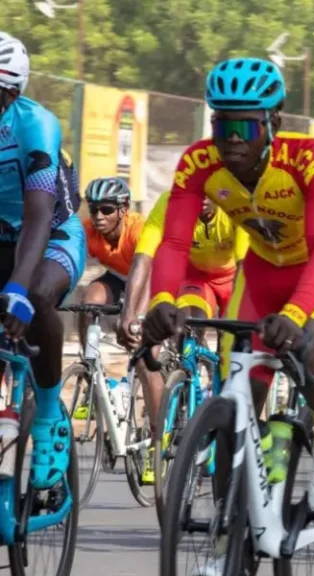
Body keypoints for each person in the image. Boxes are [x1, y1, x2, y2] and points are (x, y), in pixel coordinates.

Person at [140, 59, 314, 567]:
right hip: (260, 274)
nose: (232, 140)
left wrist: (299, 313)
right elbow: (174, 243)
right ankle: (230, 535)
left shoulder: (308, 158)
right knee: (235, 398)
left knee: (307, 345)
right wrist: (162, 301)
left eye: (245, 126)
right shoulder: (199, 163)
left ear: (273, 123)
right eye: (222, 126)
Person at [0, 32, 87, 491]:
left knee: (35, 296)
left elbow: (36, 217)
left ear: (10, 93)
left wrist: (16, 289)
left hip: (52, 233)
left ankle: (51, 417)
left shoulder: (37, 126)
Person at [118, 190, 249, 484]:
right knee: (187, 323)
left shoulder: (234, 205)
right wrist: (128, 313)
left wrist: (238, 321)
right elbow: (143, 258)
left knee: (233, 349)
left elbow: (245, 268)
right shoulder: (170, 204)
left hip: (235, 279)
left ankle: (228, 409)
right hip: (198, 280)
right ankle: (183, 392)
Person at [79, 178, 144, 349]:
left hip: (147, 279)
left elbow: (148, 274)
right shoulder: (87, 230)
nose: (99, 217)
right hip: (118, 276)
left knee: (134, 325)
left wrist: (132, 314)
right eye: (93, 210)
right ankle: (88, 358)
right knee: (88, 303)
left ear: (123, 209)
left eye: (107, 210)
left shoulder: (138, 229)